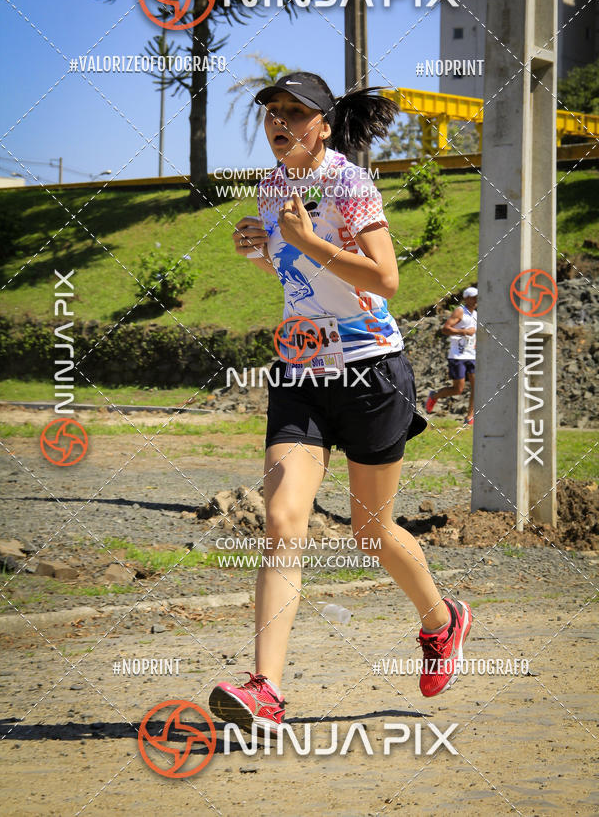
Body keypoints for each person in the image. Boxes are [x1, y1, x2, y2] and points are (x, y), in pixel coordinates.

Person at [208, 73, 472, 735]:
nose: (280, 122)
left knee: (370, 531)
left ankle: (442, 622)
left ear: (323, 125)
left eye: (296, 112)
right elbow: (300, 277)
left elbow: (385, 278)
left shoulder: (349, 183)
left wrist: (308, 243)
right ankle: (265, 687)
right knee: (281, 518)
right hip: (300, 370)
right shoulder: (271, 188)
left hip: (371, 371)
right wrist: (261, 252)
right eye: (273, 112)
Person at [425, 287, 478, 425]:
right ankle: (434, 396)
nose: (476, 299)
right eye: (473, 297)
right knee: (458, 389)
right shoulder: (460, 311)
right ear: (466, 298)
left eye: (477, 297)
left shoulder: (476, 314)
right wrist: (465, 332)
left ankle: (469, 417)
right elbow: (445, 329)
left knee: (476, 386)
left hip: (472, 354)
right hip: (457, 355)